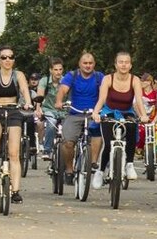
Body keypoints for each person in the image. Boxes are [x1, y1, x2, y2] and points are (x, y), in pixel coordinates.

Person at [91, 51, 151, 188]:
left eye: (126, 62)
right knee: (107, 143)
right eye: (121, 62)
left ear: (130, 65)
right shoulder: (108, 79)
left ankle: (129, 164)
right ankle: (100, 172)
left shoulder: (134, 80)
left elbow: (139, 101)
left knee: (131, 129)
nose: (124, 65)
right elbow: (102, 99)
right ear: (116, 65)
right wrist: (95, 113)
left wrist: (143, 115)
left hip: (127, 112)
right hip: (109, 112)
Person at [0, 46, 33, 203]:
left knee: (14, 153)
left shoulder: (18, 75)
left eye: (10, 57)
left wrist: (28, 103)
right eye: (3, 57)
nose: (7, 60)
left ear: (14, 60)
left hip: (13, 112)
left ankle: (16, 191)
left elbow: (25, 90)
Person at [54, 52, 105, 188]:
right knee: (68, 142)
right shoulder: (72, 76)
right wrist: (59, 101)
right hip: (75, 113)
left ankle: (93, 162)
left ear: (94, 64)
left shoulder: (99, 77)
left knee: (98, 133)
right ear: (79, 64)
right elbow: (63, 89)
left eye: (90, 63)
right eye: (85, 63)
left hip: (93, 114)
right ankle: (69, 170)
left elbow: (104, 93)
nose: (88, 66)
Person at [38, 58, 66, 160]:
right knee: (51, 124)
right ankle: (47, 150)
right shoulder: (44, 81)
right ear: (51, 70)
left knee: (68, 128)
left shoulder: (66, 81)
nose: (58, 72)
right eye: (55, 69)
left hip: (64, 111)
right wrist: (38, 109)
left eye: (60, 69)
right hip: (49, 109)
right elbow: (40, 97)